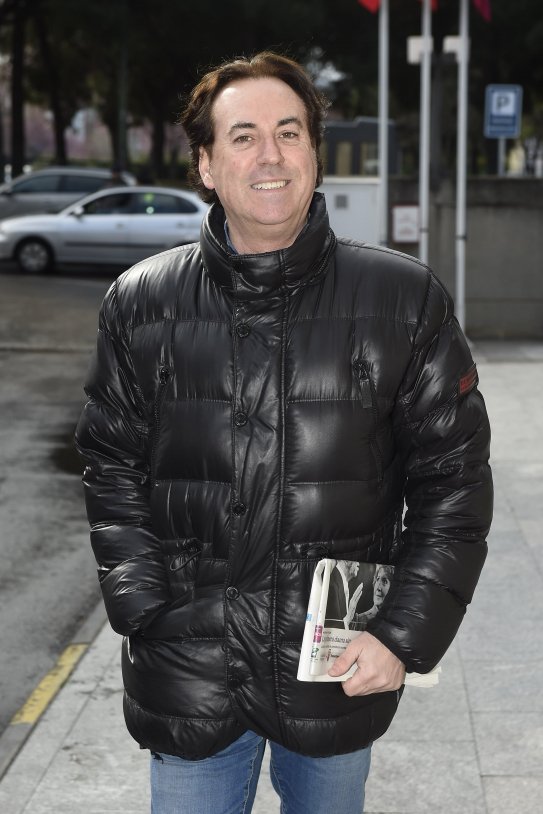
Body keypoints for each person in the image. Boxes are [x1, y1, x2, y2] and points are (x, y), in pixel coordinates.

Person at [75, 51, 493, 814]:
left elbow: (454, 485)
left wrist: (401, 635)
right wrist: (143, 607)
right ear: (206, 165)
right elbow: (110, 464)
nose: (269, 155)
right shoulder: (140, 304)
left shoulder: (403, 301)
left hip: (334, 672)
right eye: (243, 136)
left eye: (289, 132)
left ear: (313, 154)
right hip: (190, 672)